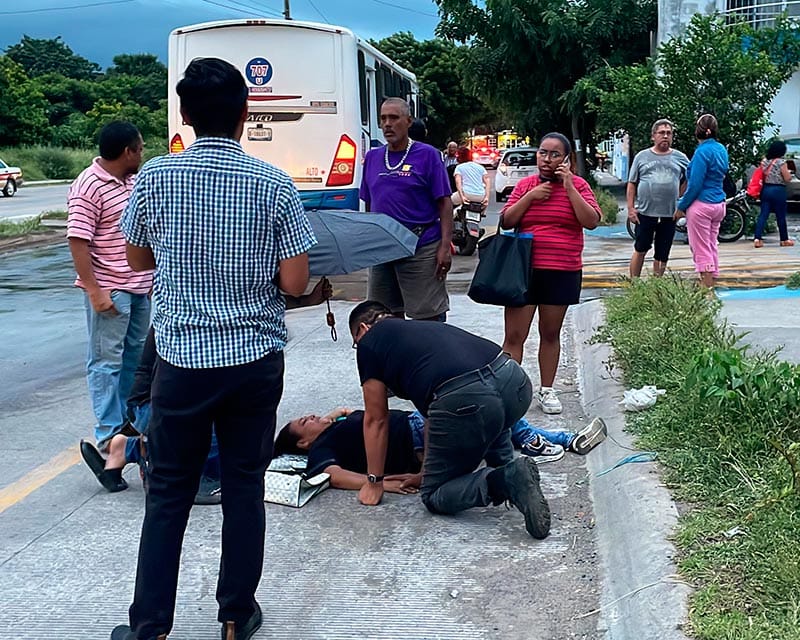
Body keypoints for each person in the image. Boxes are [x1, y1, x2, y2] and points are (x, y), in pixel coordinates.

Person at [111, 58, 316, 640]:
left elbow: (137, 260)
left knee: (169, 493)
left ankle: (149, 625)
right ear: (245, 115)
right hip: (253, 360)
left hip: (181, 362)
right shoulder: (274, 184)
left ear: (185, 115)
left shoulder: (153, 178)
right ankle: (234, 615)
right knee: (245, 487)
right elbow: (296, 282)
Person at [80, 280, 332, 503]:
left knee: (229, 426)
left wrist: (308, 300)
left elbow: (255, 304)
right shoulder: (187, 314)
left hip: (165, 402)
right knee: (216, 414)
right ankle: (196, 476)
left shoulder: (206, 303)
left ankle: (125, 451)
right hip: (152, 406)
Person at [349, 300, 551, 540]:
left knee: (434, 494)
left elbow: (376, 419)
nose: (358, 347)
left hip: (470, 400)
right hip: (514, 381)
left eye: (355, 342)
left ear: (362, 329)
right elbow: (431, 414)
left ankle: (506, 481)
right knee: (490, 411)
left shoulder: (369, 343)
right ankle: (507, 468)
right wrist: (427, 469)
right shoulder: (419, 331)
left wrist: (374, 482)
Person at [499, 133, 602, 415]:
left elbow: (591, 221)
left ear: (566, 159)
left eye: (555, 154)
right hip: (524, 271)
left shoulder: (578, 185)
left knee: (550, 332)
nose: (547, 159)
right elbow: (507, 220)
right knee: (514, 336)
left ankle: (547, 389)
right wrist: (531, 197)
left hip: (562, 270)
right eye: (543, 153)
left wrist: (569, 186)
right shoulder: (526, 185)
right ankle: (508, 393)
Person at [67, 121, 152, 453]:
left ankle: (128, 428)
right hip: (110, 288)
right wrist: (94, 290)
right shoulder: (88, 185)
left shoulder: (130, 181)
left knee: (134, 359)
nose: (143, 153)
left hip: (138, 286)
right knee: (106, 362)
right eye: (140, 148)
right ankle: (108, 434)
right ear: (127, 152)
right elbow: (77, 241)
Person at [274, 408, 608, 482]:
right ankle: (543, 440)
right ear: (303, 443)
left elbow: (343, 413)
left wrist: (334, 415)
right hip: (419, 435)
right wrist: (378, 484)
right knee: (489, 406)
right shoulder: (320, 450)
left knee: (491, 411)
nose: (314, 416)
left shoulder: (335, 427)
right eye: (306, 422)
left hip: (420, 423)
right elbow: (332, 475)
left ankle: (559, 439)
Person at [360, 98, 453, 322]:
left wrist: (444, 247)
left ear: (408, 121)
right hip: (383, 249)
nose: (387, 124)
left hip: (421, 246)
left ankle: (431, 357)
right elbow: (369, 203)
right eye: (383, 119)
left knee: (428, 320)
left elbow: (444, 203)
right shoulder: (372, 157)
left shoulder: (428, 155)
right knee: (382, 317)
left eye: (394, 118)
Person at [627, 119, 689, 278]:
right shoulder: (642, 156)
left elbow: (691, 178)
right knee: (640, 248)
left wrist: (681, 201)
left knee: (662, 253)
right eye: (662, 133)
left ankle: (657, 286)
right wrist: (631, 208)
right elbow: (632, 183)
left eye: (669, 133)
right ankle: (634, 285)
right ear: (653, 136)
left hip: (669, 214)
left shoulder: (680, 158)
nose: (665, 136)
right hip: (646, 212)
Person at [674, 114, 729, 290]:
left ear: (697, 131)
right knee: (712, 243)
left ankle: (706, 287)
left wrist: (681, 206)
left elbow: (695, 184)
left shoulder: (701, 153)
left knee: (700, 247)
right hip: (719, 204)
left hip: (701, 205)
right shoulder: (721, 149)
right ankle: (712, 282)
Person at [754, 139, 795, 248]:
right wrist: (790, 174)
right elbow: (787, 178)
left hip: (766, 189)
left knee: (763, 215)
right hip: (778, 190)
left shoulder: (764, 161)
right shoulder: (781, 162)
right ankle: (784, 240)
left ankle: (757, 239)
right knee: (780, 215)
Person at [451, 145, 491, 212]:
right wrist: (486, 197)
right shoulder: (480, 167)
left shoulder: (459, 167)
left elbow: (458, 182)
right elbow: (487, 181)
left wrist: (462, 196)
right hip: (480, 196)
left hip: (466, 194)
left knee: (448, 201)